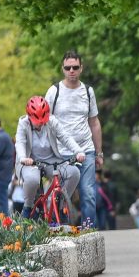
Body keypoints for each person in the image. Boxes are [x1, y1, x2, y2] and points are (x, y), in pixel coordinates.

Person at [45, 50, 103, 228]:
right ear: (63, 69)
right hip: (62, 153)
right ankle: (58, 228)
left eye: (75, 67)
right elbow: (44, 121)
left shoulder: (87, 91)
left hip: (86, 149)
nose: (71, 71)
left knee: (89, 193)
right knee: (61, 194)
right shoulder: (54, 91)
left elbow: (94, 123)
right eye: (68, 67)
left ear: (81, 68)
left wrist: (99, 153)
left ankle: (88, 230)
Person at [15, 96, 86, 222]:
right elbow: (20, 142)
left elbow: (65, 137)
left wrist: (78, 151)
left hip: (51, 161)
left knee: (74, 172)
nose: (41, 122)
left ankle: (61, 204)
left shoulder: (52, 121)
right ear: (29, 117)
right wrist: (23, 158)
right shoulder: (23, 123)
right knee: (32, 180)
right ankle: (28, 206)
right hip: (30, 162)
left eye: (44, 119)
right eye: (37, 120)